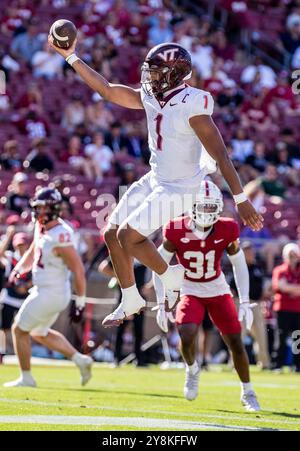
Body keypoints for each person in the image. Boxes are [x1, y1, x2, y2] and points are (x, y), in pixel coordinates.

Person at [49, 38, 263, 329]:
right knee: (111, 233)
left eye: (157, 70)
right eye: (149, 69)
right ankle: (130, 297)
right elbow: (108, 90)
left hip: (182, 187)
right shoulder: (151, 94)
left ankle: (170, 274)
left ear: (175, 73)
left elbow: (222, 155)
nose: (150, 76)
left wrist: (241, 199)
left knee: (128, 235)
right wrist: (70, 56)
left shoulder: (194, 104)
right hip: (156, 178)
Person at [153, 180, 261, 411]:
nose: (207, 212)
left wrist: (244, 300)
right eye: (204, 206)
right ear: (191, 205)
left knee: (235, 342)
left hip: (217, 288)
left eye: (212, 207)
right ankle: (192, 369)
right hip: (190, 288)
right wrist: (161, 303)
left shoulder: (227, 228)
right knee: (186, 331)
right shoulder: (175, 228)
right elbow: (158, 264)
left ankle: (248, 391)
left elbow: (239, 264)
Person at [3, 188, 93, 387]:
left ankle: (26, 377)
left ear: (53, 208)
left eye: (41, 208)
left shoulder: (61, 235)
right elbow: (35, 247)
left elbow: (78, 270)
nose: (37, 212)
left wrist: (80, 302)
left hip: (51, 291)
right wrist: (19, 269)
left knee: (19, 329)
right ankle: (81, 360)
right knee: (38, 332)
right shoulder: (42, 226)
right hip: (46, 290)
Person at [99, 258, 147, 367]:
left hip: (140, 298)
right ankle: (116, 359)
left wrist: (150, 285)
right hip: (124, 298)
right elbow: (103, 267)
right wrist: (118, 276)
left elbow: (157, 268)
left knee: (138, 331)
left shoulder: (143, 251)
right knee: (120, 329)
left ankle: (139, 360)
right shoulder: (124, 251)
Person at [230, 241, 270, 369]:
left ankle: (264, 363)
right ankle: (234, 362)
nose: (250, 254)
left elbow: (262, 287)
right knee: (239, 333)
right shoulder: (238, 267)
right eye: (247, 251)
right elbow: (231, 288)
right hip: (241, 303)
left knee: (260, 333)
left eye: (251, 251)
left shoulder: (257, 267)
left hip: (256, 303)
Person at [0, 229, 32, 363]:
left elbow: (37, 276)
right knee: (4, 327)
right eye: (19, 245)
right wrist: (8, 236)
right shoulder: (10, 257)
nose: (21, 248)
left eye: (23, 245)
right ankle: (2, 351)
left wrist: (26, 286)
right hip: (9, 297)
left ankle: (24, 353)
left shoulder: (33, 258)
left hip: (25, 299)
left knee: (25, 327)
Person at [272, 243, 300, 373]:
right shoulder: (280, 270)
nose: (293, 257)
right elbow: (280, 287)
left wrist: (288, 287)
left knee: (297, 337)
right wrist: (294, 289)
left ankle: (297, 365)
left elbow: (285, 287)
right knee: (281, 336)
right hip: (283, 308)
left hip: (297, 309)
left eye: (294, 254)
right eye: (290, 255)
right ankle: (278, 364)